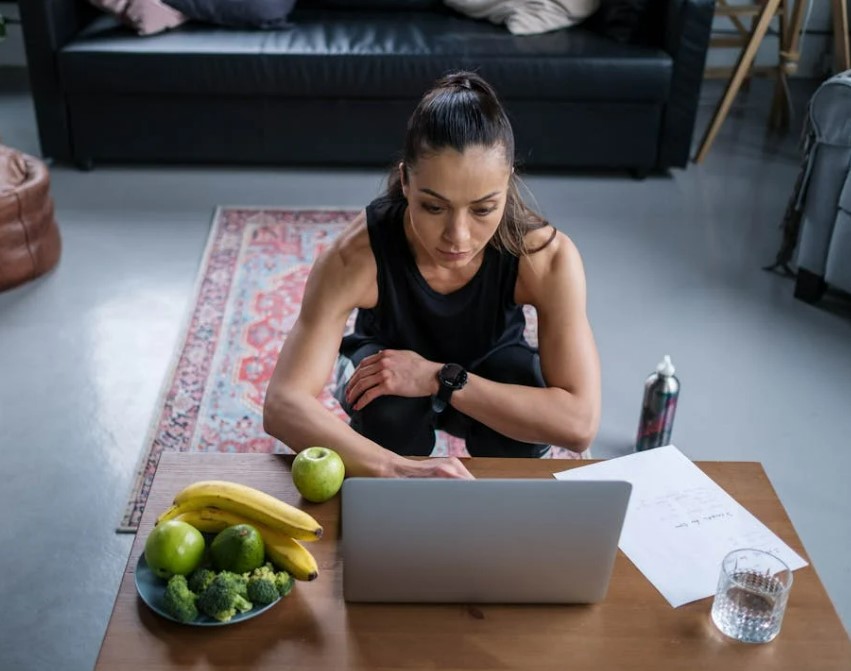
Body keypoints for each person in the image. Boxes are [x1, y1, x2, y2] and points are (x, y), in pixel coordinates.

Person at [263, 71, 600, 480]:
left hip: (488, 373)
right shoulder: (354, 257)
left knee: (521, 404)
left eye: (482, 209)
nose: (458, 237)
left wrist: (440, 378)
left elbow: (579, 425)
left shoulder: (546, 258)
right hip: (389, 372)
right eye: (434, 207)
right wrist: (396, 469)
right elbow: (283, 403)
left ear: (506, 185)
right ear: (405, 181)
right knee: (385, 409)